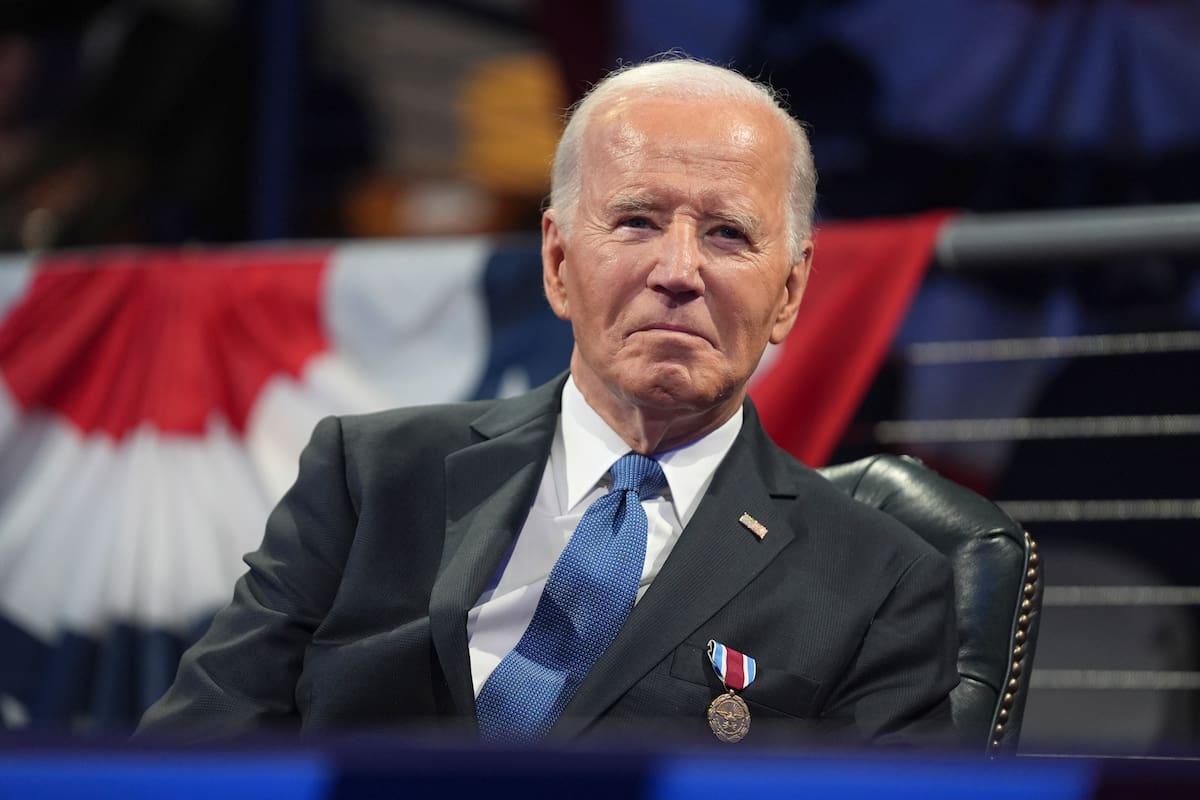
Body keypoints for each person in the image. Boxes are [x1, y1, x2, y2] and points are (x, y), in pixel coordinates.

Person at [138, 56, 958, 747]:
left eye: (727, 234)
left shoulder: (882, 582)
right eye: (635, 221)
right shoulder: (369, 478)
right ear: (559, 264)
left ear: (789, 292)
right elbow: (191, 750)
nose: (679, 270)